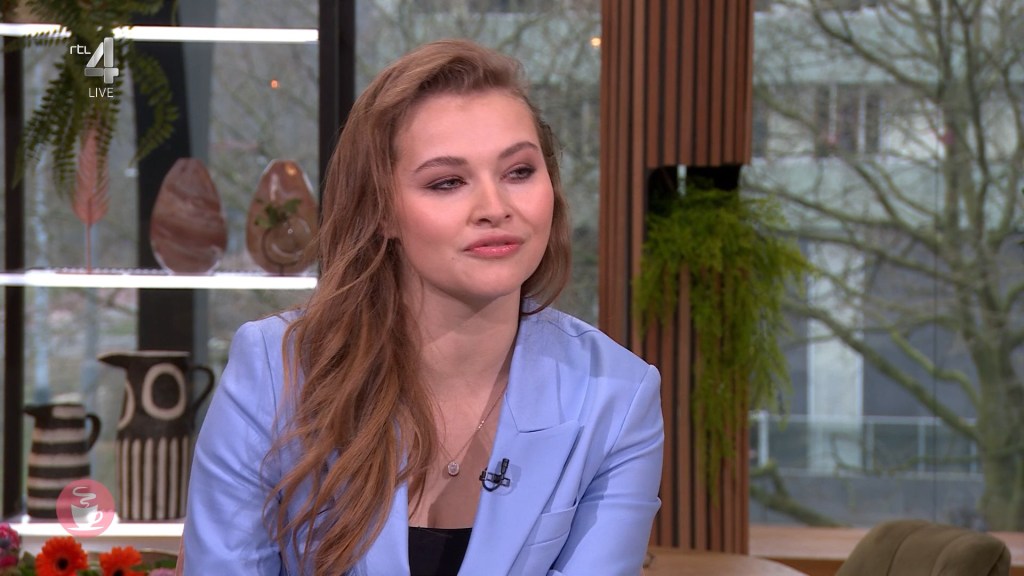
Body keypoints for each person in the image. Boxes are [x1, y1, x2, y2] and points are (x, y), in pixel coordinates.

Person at [181, 38, 663, 575]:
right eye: (447, 182)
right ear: (382, 210)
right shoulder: (275, 371)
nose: (495, 208)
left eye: (519, 172)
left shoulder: (616, 397)